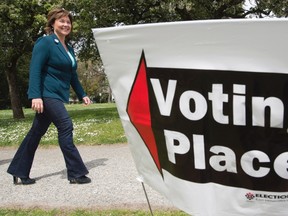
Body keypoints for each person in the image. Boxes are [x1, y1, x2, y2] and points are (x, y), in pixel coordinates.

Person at [7, 7, 92, 185]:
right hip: (46, 94)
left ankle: (18, 170)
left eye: (68, 22)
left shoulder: (69, 48)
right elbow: (35, 70)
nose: (66, 24)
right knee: (65, 125)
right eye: (61, 21)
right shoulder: (45, 43)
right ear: (52, 23)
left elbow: (72, 75)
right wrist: (35, 96)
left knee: (36, 132)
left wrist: (82, 93)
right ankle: (76, 172)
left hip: (56, 95)